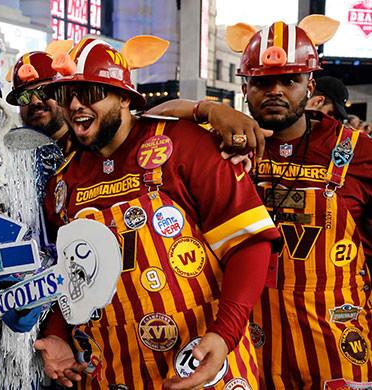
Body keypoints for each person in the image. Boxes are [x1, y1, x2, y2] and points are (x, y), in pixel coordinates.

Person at [34, 37, 279, 389]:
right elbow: (68, 275)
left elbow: (248, 243)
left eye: (88, 94)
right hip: (110, 372)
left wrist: (224, 335)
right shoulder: (63, 180)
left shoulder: (184, 143)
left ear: (123, 96)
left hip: (202, 365)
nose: (74, 105)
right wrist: (56, 334)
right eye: (66, 95)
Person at [154, 15, 372, 387]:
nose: (276, 91)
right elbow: (150, 118)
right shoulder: (217, 144)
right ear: (244, 87)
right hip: (242, 335)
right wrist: (209, 110)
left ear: (311, 86)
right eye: (262, 82)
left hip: (337, 340)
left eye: (290, 80)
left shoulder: (357, 151)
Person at [6, 50, 72, 153]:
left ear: (63, 93)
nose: (35, 102)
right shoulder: (13, 153)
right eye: (24, 96)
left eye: (44, 91)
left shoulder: (88, 149)